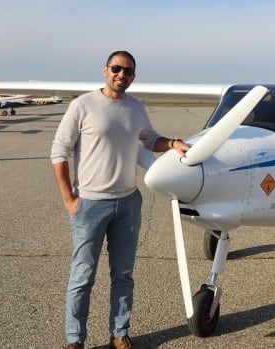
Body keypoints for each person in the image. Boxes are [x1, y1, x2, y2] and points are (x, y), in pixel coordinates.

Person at [51, 50, 189, 349]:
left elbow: (150, 140)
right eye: (116, 68)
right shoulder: (82, 105)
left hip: (128, 203)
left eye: (127, 71)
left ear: (133, 77)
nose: (121, 75)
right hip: (89, 204)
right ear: (105, 70)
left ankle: (119, 333)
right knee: (83, 276)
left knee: (123, 274)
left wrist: (174, 143)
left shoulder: (136, 108)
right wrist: (69, 199)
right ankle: (75, 340)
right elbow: (59, 152)